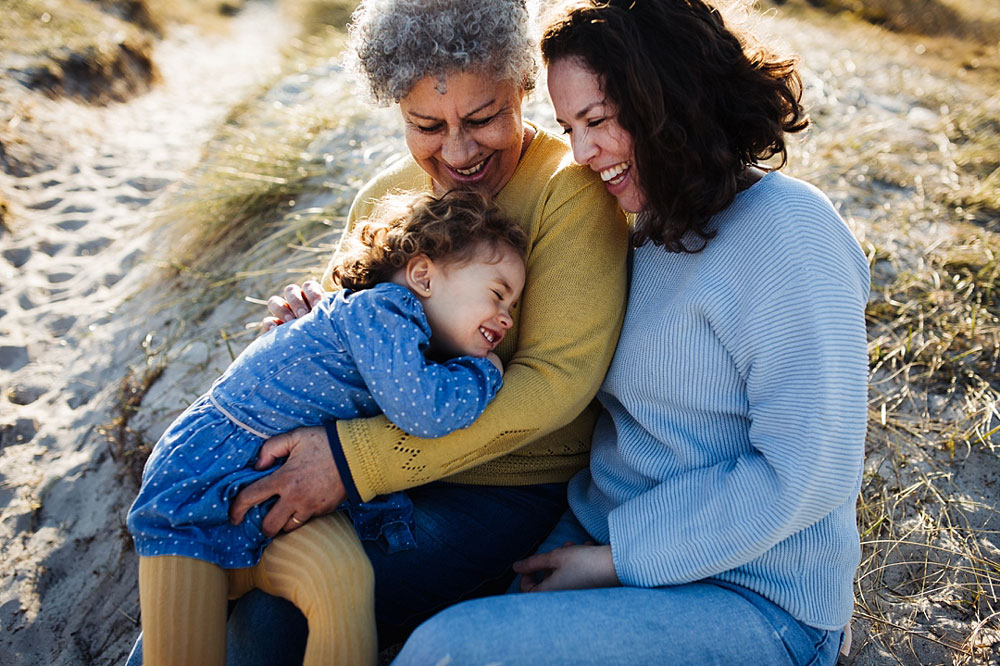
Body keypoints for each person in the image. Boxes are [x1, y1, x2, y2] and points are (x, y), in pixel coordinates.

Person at [122, 0, 628, 663]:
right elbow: (353, 331)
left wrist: (350, 461)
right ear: (396, 106)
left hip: (498, 490)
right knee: (205, 565)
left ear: (522, 87)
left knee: (271, 620)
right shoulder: (388, 196)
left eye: (483, 118)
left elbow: (556, 384)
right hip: (371, 472)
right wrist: (308, 318)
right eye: (427, 124)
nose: (458, 149)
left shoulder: (569, 191)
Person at [391, 0, 870, 664]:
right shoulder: (642, 228)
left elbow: (807, 471)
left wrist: (617, 560)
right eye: (567, 126)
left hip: (755, 598)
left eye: (596, 121)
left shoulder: (790, 232)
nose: (582, 154)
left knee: (447, 650)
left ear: (667, 99)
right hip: (596, 539)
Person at [126, 190, 530, 666]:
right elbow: (425, 411)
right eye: (497, 293)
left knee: (342, 578)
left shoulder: (394, 333)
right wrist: (487, 372)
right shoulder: (386, 310)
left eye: (514, 305)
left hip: (269, 492)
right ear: (422, 275)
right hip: (203, 480)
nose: (506, 316)